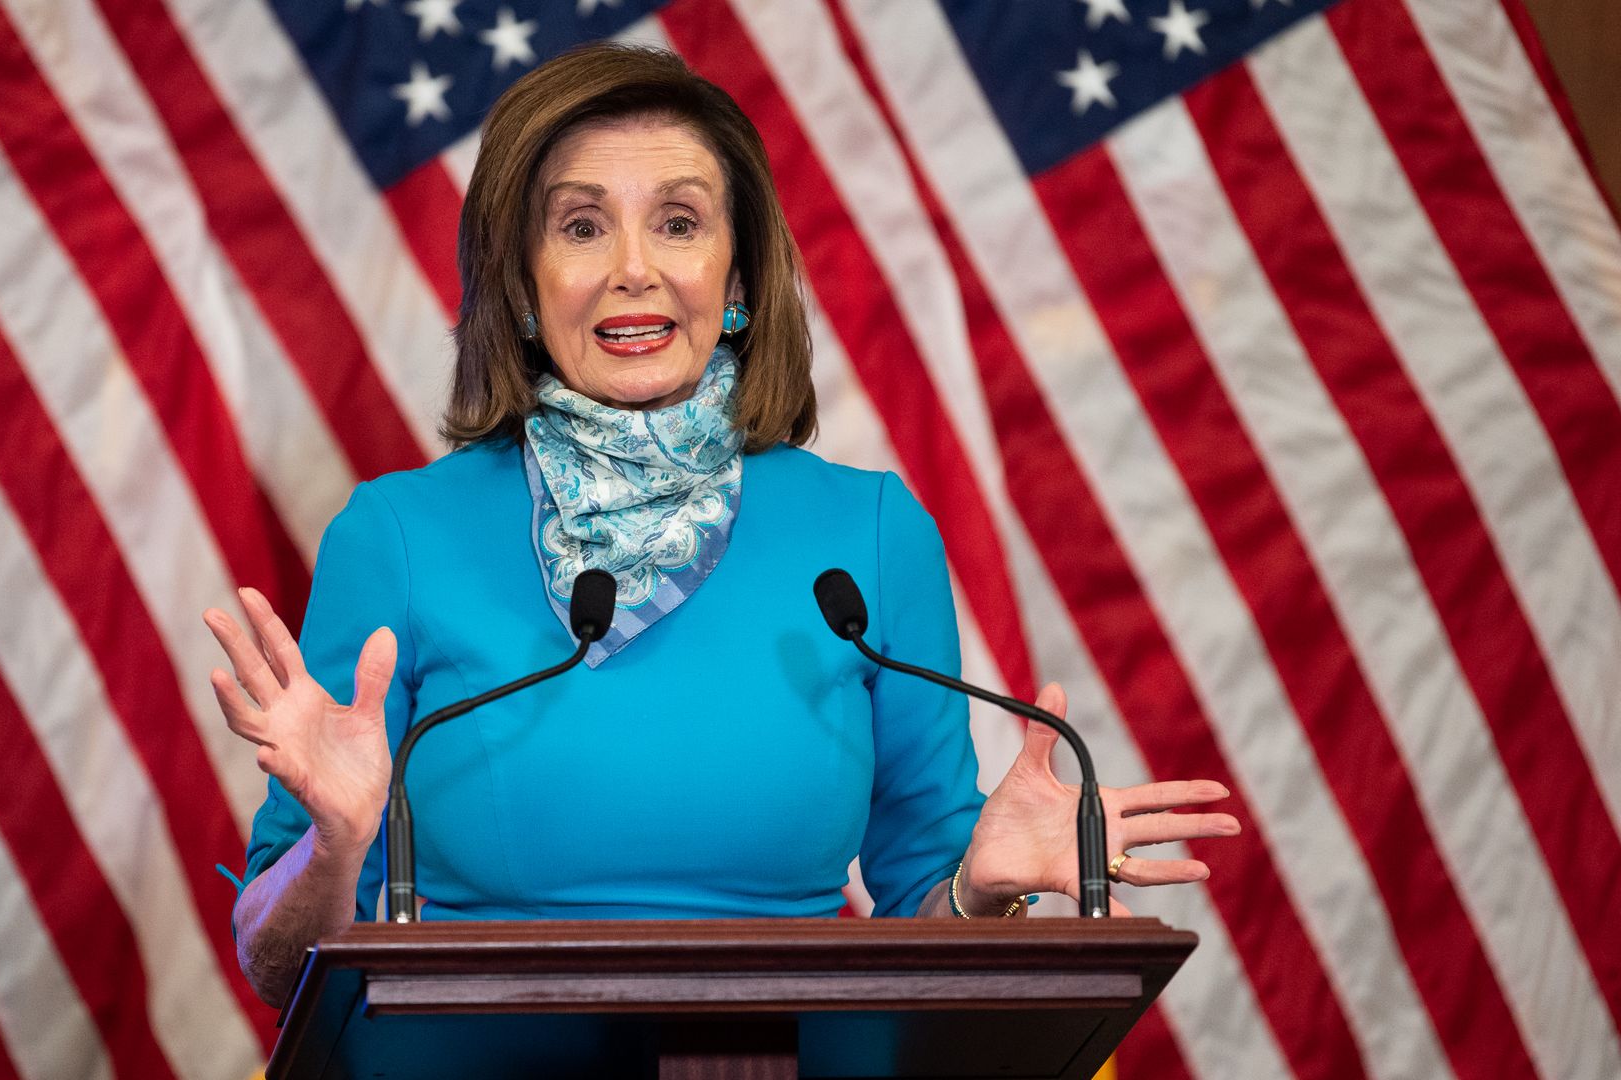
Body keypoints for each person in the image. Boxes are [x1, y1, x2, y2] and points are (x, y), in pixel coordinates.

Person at [205, 42, 1238, 1007]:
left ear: (738, 283)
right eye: (580, 225)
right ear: (520, 290)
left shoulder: (868, 534)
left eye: (680, 221)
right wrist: (336, 844)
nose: (633, 269)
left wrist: (979, 884)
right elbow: (272, 957)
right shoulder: (395, 536)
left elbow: (929, 920)